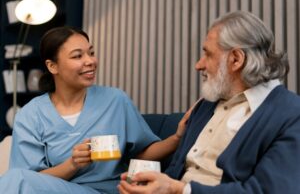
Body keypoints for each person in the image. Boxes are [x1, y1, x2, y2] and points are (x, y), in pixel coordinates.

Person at [118, 11, 300, 194]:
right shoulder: (206, 104)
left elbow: (269, 190)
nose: (199, 65)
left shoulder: (291, 114)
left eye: (208, 54)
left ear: (236, 59)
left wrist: (177, 189)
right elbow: (175, 171)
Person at [0, 27, 188, 194]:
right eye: (77, 56)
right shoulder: (31, 114)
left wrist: (177, 138)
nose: (90, 61)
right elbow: (31, 178)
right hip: (57, 189)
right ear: (52, 66)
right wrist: (72, 165)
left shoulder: (115, 100)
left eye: (91, 53)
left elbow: (140, 152)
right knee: (16, 179)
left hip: (110, 190)